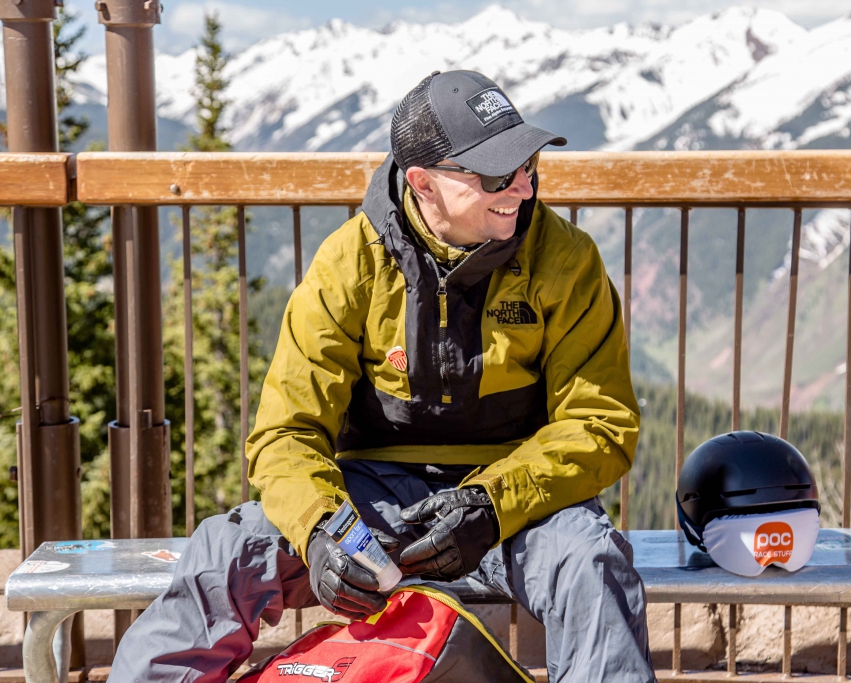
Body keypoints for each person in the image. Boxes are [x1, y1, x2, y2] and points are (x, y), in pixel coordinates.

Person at [109, 70, 654, 683]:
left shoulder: (566, 260)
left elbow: (599, 422)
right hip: (370, 502)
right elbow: (284, 434)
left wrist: (491, 504)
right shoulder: (351, 262)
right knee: (227, 551)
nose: (522, 189)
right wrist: (321, 532)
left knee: (593, 561)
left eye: (527, 163)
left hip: (514, 503)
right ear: (423, 183)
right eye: (497, 175)